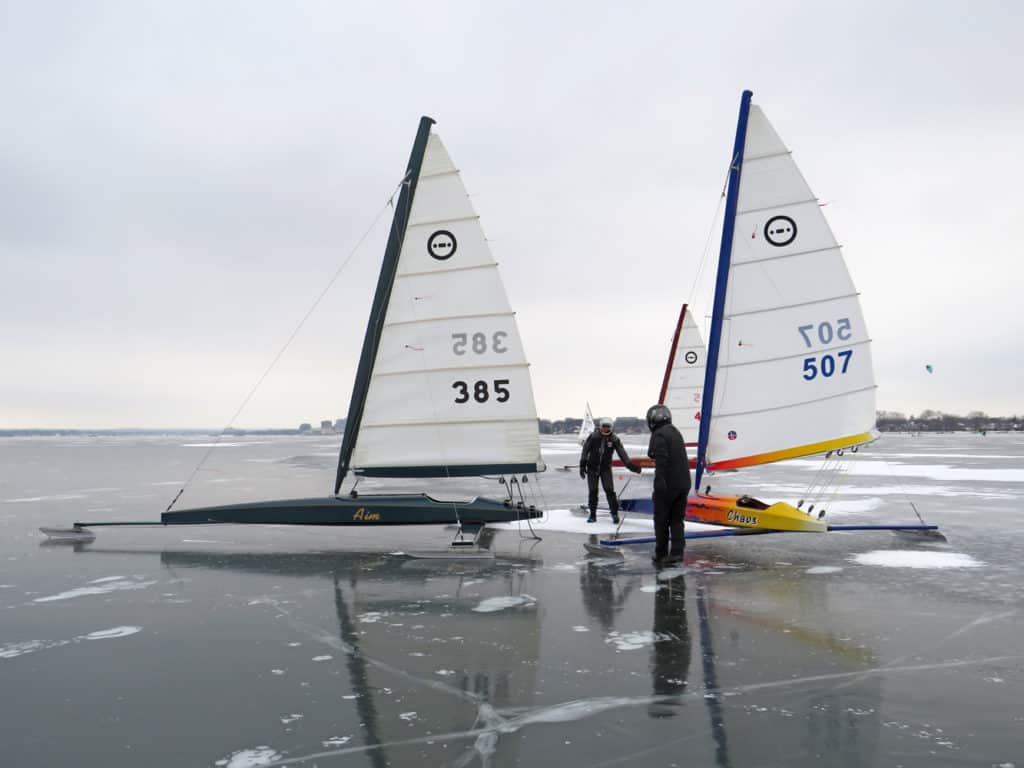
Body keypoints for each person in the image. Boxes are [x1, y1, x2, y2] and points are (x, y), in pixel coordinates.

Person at [646, 404, 690, 566]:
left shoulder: (659, 434)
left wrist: (659, 482)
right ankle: (678, 553)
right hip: (684, 483)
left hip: (668, 484)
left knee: (661, 520)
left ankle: (661, 554)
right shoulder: (675, 431)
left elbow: (662, 460)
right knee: (677, 520)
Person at [579, 417, 641, 524]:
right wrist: (582, 465)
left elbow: (623, 454)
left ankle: (614, 513)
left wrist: (632, 466)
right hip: (592, 468)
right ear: (600, 426)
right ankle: (592, 515)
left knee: (609, 490)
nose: (606, 429)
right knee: (593, 491)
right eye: (604, 426)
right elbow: (585, 450)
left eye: (608, 427)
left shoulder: (614, 439)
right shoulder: (593, 437)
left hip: (605, 469)